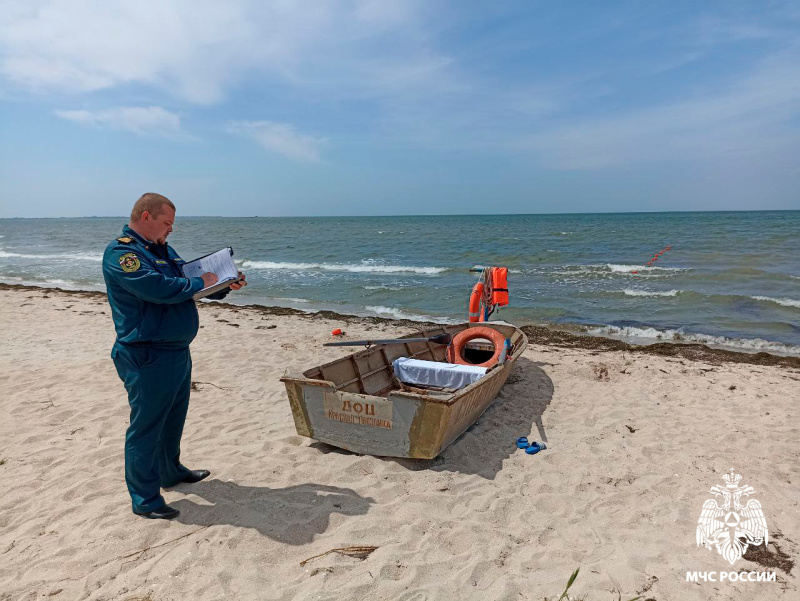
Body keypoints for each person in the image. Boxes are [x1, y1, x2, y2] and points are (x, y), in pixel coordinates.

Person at [102, 193, 247, 520]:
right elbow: (157, 287)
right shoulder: (123, 252)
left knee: (172, 418)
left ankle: (170, 472)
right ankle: (145, 499)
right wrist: (198, 280)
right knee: (147, 426)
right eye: (167, 223)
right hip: (146, 353)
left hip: (175, 350)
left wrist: (223, 284)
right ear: (146, 216)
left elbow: (188, 283)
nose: (171, 230)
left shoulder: (162, 250)